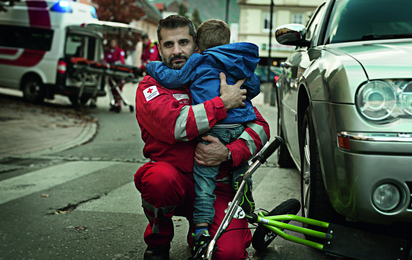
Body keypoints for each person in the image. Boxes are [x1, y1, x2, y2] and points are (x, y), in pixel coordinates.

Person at [134, 15, 270, 260]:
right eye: (168, 44)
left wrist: (230, 152)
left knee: (228, 255)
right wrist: (222, 104)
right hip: (178, 185)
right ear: (159, 49)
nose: (177, 51)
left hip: (217, 187)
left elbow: (260, 126)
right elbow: (176, 125)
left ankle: (215, 230)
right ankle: (158, 242)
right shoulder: (151, 87)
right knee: (157, 179)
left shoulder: (218, 74)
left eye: (183, 42)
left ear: (196, 45)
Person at [103, 38, 126, 112]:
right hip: (111, 72)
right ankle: (114, 104)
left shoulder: (120, 51)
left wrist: (114, 64)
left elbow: (121, 61)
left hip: (118, 72)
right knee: (112, 88)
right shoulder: (108, 52)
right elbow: (105, 60)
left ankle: (118, 104)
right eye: (111, 42)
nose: (112, 44)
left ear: (116, 43)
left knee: (118, 88)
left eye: (113, 42)